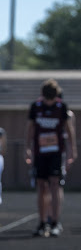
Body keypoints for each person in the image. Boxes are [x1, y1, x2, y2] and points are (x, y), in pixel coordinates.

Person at [25, 78, 76, 237]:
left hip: (56, 153)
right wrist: (27, 147)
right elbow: (30, 128)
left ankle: (55, 221)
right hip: (40, 153)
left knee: (55, 184)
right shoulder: (36, 107)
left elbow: (69, 129)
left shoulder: (62, 107)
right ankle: (42, 222)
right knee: (41, 185)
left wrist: (72, 150)